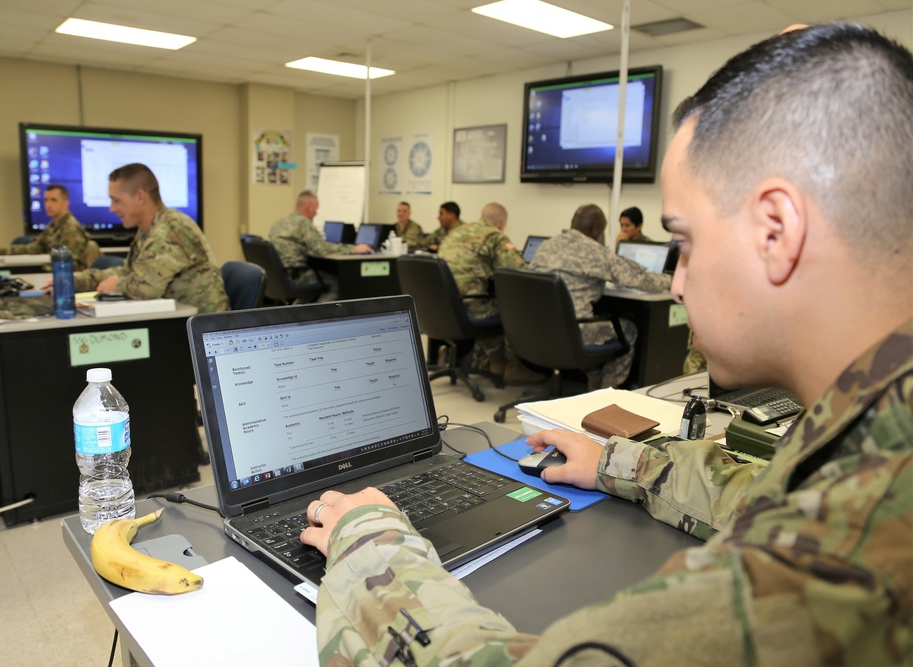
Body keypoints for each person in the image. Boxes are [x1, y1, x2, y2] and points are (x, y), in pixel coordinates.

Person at [297, 23, 913, 667]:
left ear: (777, 231)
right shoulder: (872, 432)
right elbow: (766, 497)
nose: (677, 283)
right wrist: (624, 463)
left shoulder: (859, 544)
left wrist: (370, 542)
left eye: (684, 242)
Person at [530, 203, 670, 388]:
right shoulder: (595, 251)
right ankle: (606, 390)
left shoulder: (546, 246)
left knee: (601, 318)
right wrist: (671, 280)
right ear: (596, 229)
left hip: (539, 327)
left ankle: (593, 377)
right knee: (629, 329)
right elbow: (640, 279)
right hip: (575, 331)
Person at [70, 164, 228, 313]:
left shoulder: (171, 229)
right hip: (177, 321)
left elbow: (144, 290)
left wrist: (116, 285)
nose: (112, 208)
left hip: (201, 329)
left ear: (140, 197)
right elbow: (129, 272)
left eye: (116, 200)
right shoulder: (149, 230)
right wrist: (77, 281)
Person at [438, 202, 543, 385]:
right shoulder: (495, 235)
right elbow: (519, 270)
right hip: (469, 307)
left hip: (443, 307)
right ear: (501, 225)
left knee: (490, 301)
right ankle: (513, 367)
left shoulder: (457, 232)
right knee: (512, 311)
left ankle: (496, 362)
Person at [268, 190, 373, 301]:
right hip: (296, 276)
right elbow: (322, 249)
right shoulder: (303, 223)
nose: (316, 213)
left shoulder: (280, 221)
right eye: (316, 209)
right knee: (337, 282)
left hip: (279, 277)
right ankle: (322, 315)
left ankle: (302, 311)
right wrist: (354, 249)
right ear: (310, 207)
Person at [0, 185, 101, 270]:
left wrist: (40, 266)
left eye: (53, 200)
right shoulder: (53, 226)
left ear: (66, 203)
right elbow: (33, 248)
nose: (48, 204)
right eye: (46, 200)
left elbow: (70, 264)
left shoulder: (71, 228)